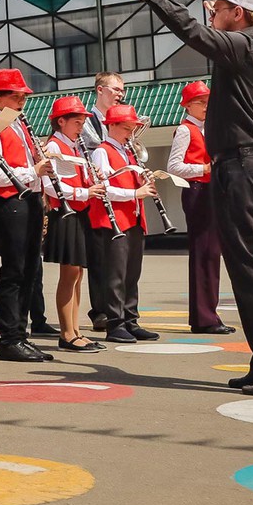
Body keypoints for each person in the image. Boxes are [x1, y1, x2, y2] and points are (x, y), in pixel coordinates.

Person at [108, 0, 253, 396]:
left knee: (250, 266)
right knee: (244, 264)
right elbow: (208, 36)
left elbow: (194, 35)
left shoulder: (242, 45)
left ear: (237, 14)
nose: (211, 14)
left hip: (242, 166)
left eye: (217, 8)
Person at [0, 68, 53, 363]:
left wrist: (39, 161)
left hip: (30, 199)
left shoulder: (20, 126)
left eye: (23, 96)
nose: (21, 100)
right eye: (14, 95)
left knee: (30, 270)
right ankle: (9, 338)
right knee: (14, 271)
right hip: (10, 204)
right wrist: (32, 170)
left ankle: (21, 335)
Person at [88, 104, 160, 344]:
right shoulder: (102, 150)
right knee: (115, 274)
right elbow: (104, 187)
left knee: (132, 273)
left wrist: (143, 179)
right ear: (114, 126)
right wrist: (135, 193)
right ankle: (115, 323)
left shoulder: (129, 151)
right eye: (128, 127)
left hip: (134, 218)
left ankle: (130, 319)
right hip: (114, 220)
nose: (132, 131)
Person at [41, 97, 107, 352]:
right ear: (61, 121)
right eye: (77, 122)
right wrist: (84, 193)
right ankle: (67, 333)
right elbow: (50, 185)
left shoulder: (75, 147)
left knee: (78, 274)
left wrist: (94, 179)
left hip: (80, 213)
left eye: (82, 122)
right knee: (69, 274)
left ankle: (76, 330)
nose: (81, 127)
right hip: (65, 214)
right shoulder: (54, 146)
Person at [167, 81, 233, 335]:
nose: (206, 107)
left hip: (211, 192)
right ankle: (204, 318)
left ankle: (207, 315)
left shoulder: (208, 129)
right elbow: (174, 166)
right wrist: (203, 169)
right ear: (187, 105)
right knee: (204, 254)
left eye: (208, 102)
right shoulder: (185, 130)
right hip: (197, 192)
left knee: (211, 255)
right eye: (201, 102)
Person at [78, 70, 126, 332]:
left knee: (118, 258)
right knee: (98, 255)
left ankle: (121, 309)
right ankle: (100, 311)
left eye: (121, 90)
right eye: (116, 89)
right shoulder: (87, 121)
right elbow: (87, 151)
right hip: (96, 193)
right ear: (100, 90)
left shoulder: (123, 116)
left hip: (121, 194)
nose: (120, 94)